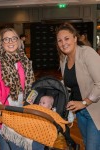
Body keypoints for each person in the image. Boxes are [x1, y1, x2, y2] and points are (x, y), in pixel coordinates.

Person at [0, 28, 36, 150]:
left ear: (19, 41)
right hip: (5, 114)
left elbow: (31, 87)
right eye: (6, 39)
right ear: (2, 43)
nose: (10, 42)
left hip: (23, 113)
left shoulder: (25, 62)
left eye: (13, 38)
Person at [56, 22, 100, 150]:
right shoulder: (63, 59)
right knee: (87, 144)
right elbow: (70, 83)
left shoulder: (87, 53)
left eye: (67, 38)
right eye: (59, 40)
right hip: (80, 112)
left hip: (95, 110)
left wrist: (84, 103)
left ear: (75, 38)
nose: (63, 43)